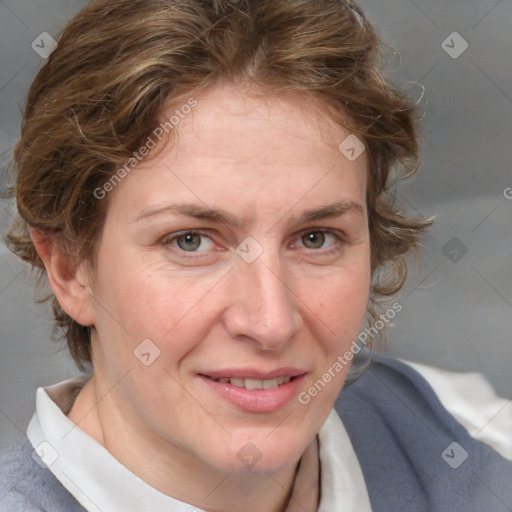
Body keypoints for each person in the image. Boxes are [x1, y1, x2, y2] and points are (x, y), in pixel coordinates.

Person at [1, 0, 511, 510]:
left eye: (316, 238)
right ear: (69, 268)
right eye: (191, 241)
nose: (271, 323)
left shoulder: (464, 431)